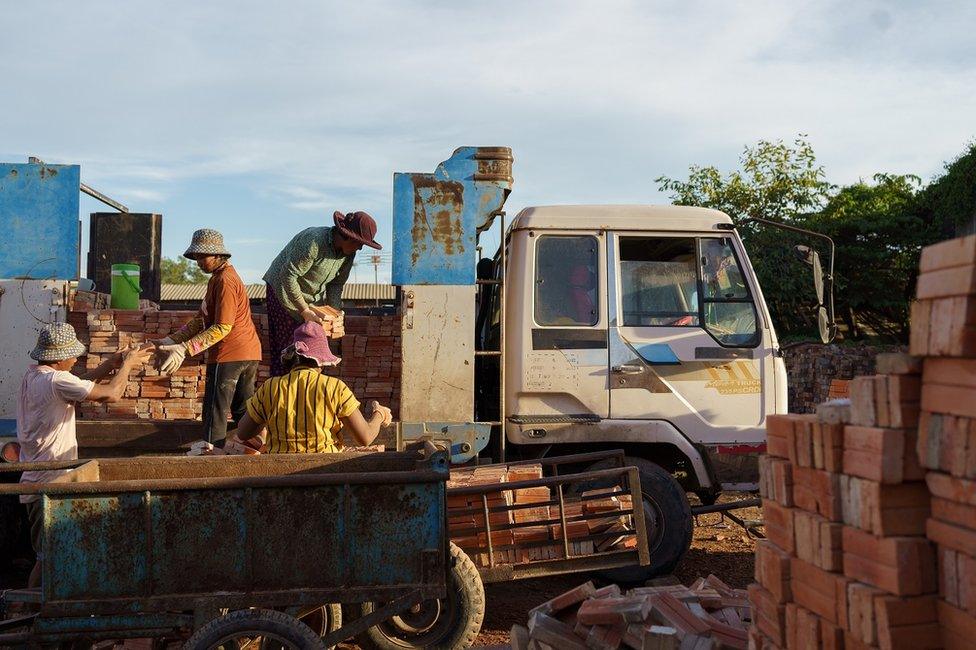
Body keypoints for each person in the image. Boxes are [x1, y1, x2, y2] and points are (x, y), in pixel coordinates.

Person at [17, 322, 152, 587]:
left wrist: (111, 364)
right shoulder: (56, 380)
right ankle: (31, 612)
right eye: (73, 354)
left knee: (49, 556)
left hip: (37, 479)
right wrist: (128, 365)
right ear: (58, 358)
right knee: (49, 560)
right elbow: (112, 395)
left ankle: (38, 612)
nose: (76, 358)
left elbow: (79, 385)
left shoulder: (35, 375)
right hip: (50, 484)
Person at [154, 229, 263, 443]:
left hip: (229, 354)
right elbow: (200, 320)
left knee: (215, 412)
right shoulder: (217, 279)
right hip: (248, 352)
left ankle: (211, 460)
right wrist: (171, 341)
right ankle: (255, 452)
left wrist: (186, 349)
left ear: (218, 255)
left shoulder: (226, 281)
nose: (198, 262)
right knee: (243, 410)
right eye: (196, 257)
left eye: (203, 257)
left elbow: (223, 327)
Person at [228, 322, 392, 453]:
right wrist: (379, 414)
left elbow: (243, 433)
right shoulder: (335, 388)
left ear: (294, 356)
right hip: (323, 473)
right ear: (322, 360)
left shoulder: (269, 388)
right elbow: (365, 438)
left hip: (278, 476)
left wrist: (271, 416)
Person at [262, 211, 382, 376]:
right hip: (283, 292)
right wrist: (304, 311)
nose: (361, 248)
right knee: (290, 349)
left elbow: (335, 285)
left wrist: (334, 314)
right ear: (348, 236)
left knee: (312, 348)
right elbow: (288, 276)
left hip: (310, 298)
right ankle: (283, 391)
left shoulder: (348, 255)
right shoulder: (314, 242)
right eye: (360, 243)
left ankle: (307, 390)